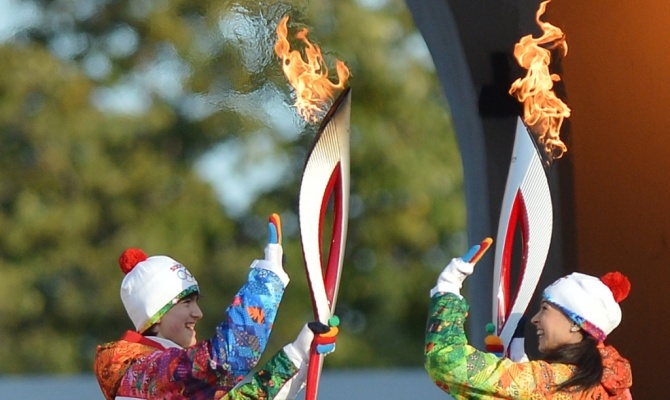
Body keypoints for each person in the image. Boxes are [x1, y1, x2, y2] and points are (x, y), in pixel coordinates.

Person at [94, 214, 336, 399]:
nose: (197, 313)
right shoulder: (145, 374)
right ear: (156, 316)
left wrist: (297, 357)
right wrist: (267, 280)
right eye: (186, 302)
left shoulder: (160, 378)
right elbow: (227, 359)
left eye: (196, 302)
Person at [425, 243, 633, 399]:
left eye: (544, 308)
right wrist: (519, 368)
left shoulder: (555, 383)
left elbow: (446, 360)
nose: (535, 319)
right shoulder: (616, 387)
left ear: (576, 322)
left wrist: (447, 290)